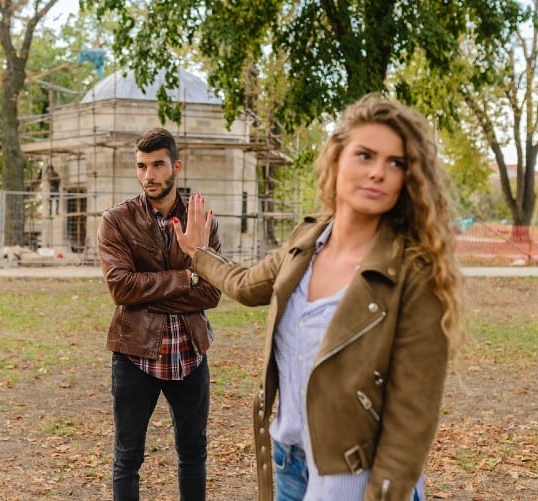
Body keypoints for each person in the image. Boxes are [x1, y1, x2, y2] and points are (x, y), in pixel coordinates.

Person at [173, 94, 465, 501]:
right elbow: (246, 284)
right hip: (289, 461)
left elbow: (413, 414)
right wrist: (197, 255)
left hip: (353, 474)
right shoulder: (307, 242)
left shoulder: (412, 272)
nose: (379, 172)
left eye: (395, 163)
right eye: (365, 155)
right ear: (337, 159)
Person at [97, 127, 222, 501]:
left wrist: (147, 293)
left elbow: (212, 292)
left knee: (193, 453)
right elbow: (120, 288)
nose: (148, 175)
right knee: (128, 456)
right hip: (135, 355)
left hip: (190, 354)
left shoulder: (202, 219)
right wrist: (187, 276)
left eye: (157, 165)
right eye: (141, 166)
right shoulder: (117, 220)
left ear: (176, 166)